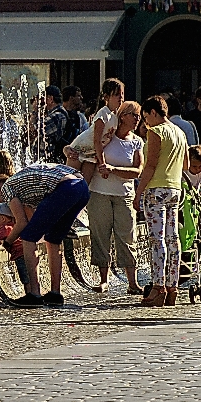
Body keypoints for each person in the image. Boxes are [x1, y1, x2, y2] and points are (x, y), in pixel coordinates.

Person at [0, 162, 91, 308]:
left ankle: (34, 295)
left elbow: (22, 222)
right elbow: (34, 218)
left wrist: (8, 241)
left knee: (28, 238)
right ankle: (55, 294)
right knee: (53, 238)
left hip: (65, 188)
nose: (1, 202)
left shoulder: (6, 188)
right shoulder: (24, 186)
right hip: (82, 187)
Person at [134, 96, 189, 307]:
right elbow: (184, 164)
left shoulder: (156, 132)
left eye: (146, 117)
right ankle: (173, 286)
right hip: (175, 189)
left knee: (157, 240)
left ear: (154, 112)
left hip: (155, 188)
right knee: (172, 237)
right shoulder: (180, 132)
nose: (146, 123)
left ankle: (158, 287)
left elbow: (150, 166)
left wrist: (138, 193)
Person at [87, 101, 144, 294]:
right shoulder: (107, 137)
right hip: (100, 191)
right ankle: (104, 279)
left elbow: (138, 170)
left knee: (127, 236)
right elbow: (88, 150)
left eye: (138, 116)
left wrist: (114, 170)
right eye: (133, 115)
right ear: (122, 116)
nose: (137, 120)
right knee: (101, 235)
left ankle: (132, 281)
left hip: (125, 194)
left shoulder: (136, 141)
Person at [64, 78, 124, 183]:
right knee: (69, 184)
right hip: (79, 149)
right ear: (106, 97)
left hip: (92, 154)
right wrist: (102, 163)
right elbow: (97, 140)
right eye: (116, 94)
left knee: (84, 187)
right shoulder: (103, 114)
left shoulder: (116, 115)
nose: (121, 98)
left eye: (122, 94)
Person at [41, 86, 69, 163]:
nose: (41, 102)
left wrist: (35, 112)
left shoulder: (57, 116)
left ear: (50, 99)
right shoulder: (54, 114)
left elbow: (36, 129)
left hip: (50, 161)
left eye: (42, 98)